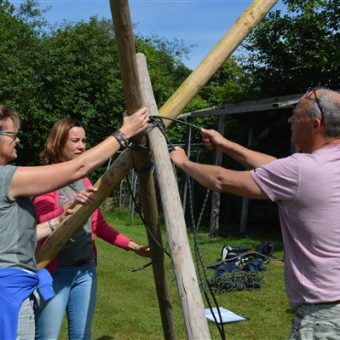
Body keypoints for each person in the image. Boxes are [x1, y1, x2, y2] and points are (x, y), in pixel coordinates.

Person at [170, 88, 340, 339]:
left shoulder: (302, 169)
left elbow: (221, 180)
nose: (290, 121)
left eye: (296, 115)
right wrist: (225, 144)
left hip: (323, 315)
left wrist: (183, 161)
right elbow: (276, 167)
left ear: (316, 124)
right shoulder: (320, 165)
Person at [0, 103, 148, 339]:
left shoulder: (85, 182)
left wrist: (133, 246)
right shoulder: (21, 179)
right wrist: (124, 132)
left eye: (83, 141)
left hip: (78, 271)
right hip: (33, 279)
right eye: (75, 141)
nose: (81, 146)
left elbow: (96, 225)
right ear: (59, 143)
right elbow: (75, 172)